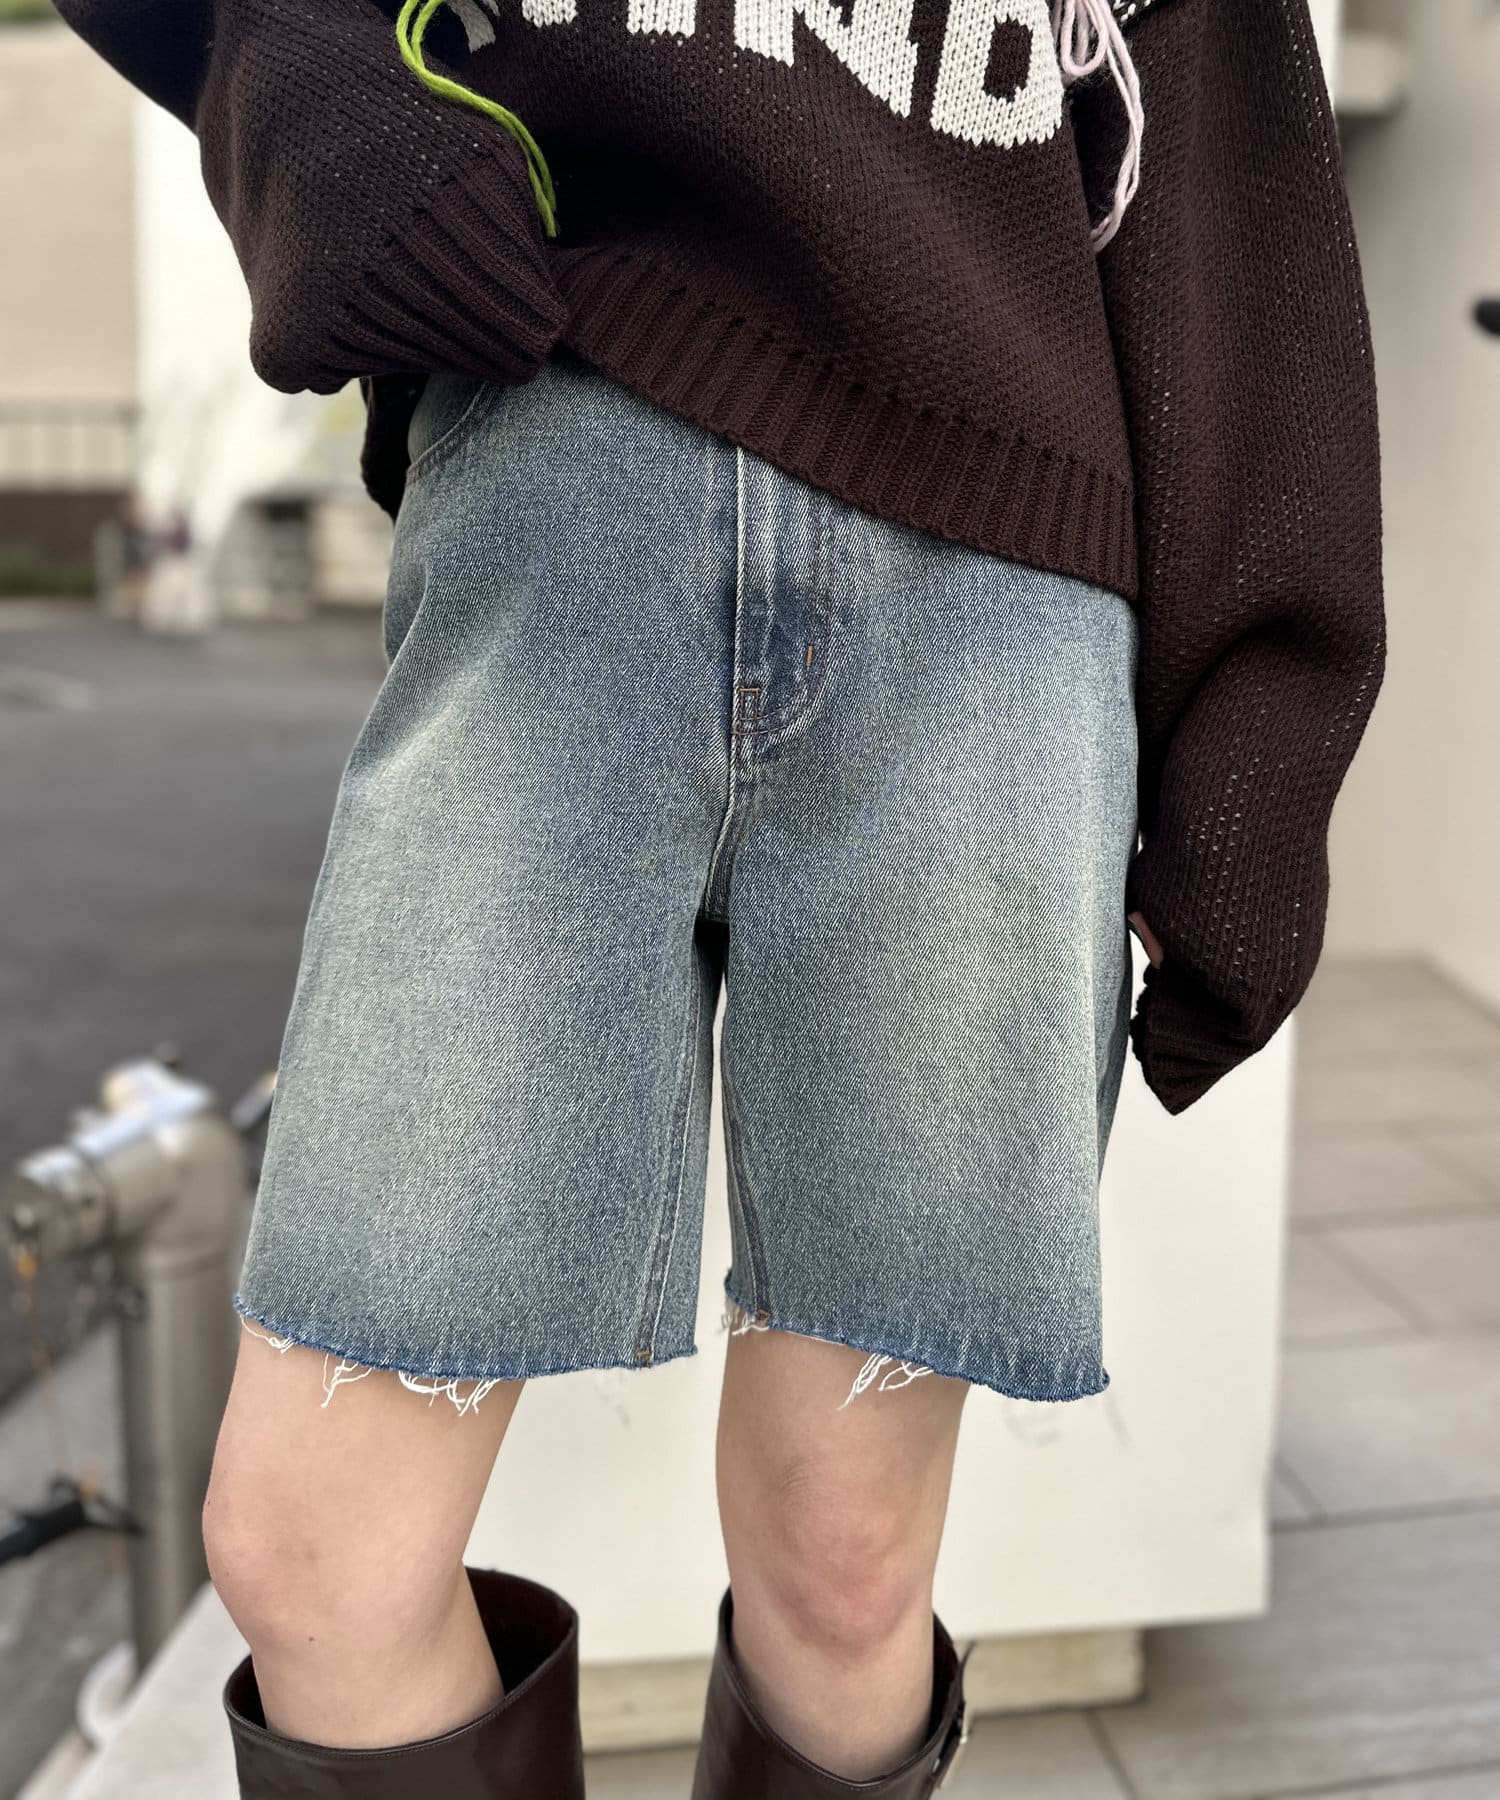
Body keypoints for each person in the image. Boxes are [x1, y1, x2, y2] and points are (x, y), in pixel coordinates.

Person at [51, 0, 1385, 1793]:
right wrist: (291, 69)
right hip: (556, 492)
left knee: (847, 1566)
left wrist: (1266, 730)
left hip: (996, 607)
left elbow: (1235, 177)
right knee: (313, 1556)